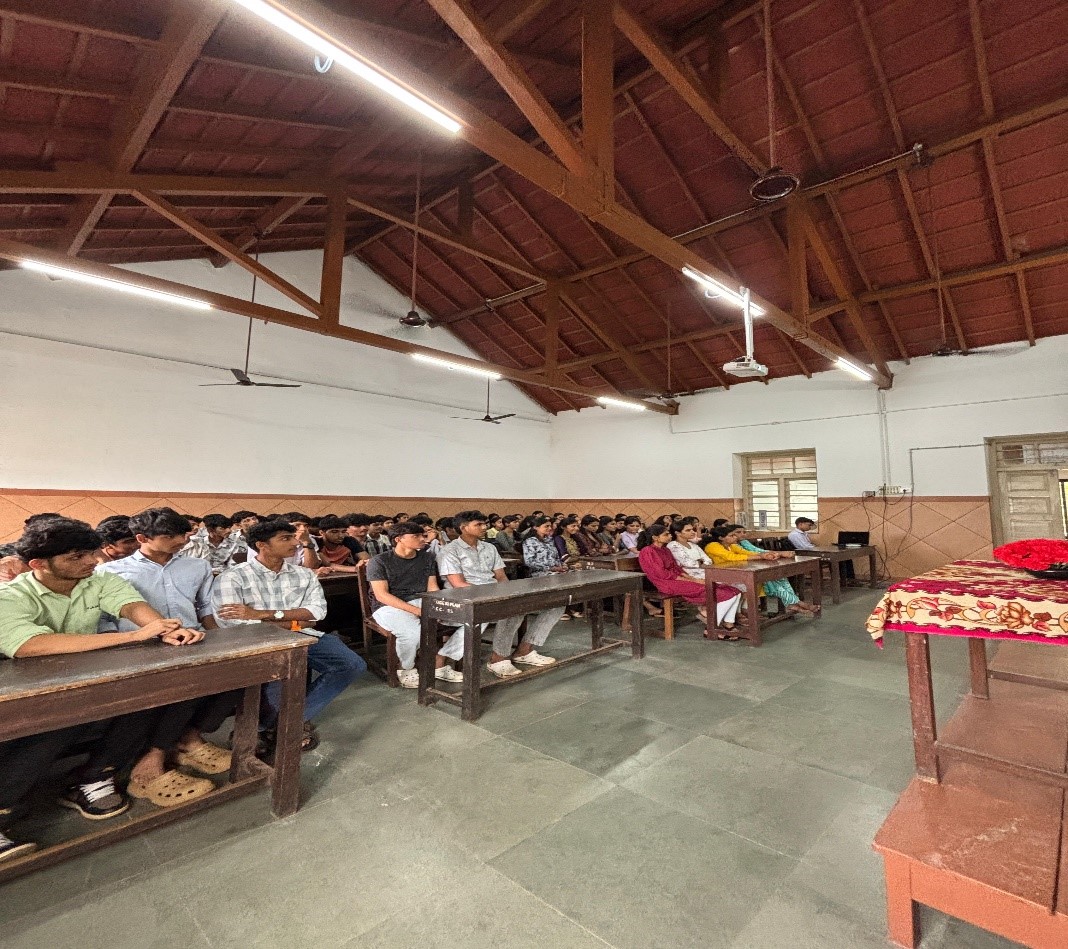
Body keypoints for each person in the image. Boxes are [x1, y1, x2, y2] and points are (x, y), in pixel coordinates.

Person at [0, 517, 202, 863]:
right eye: (76, 557)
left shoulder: (97, 580)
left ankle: (92, 777)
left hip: (80, 680)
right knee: (52, 724)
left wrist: (162, 628)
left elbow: (130, 604)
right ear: (38, 565)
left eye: (91, 553)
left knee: (145, 700)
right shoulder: (11, 596)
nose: (92, 561)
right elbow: (29, 645)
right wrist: (133, 636)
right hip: (22, 693)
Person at [99, 508, 235, 806]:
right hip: (140, 648)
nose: (181, 540)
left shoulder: (197, 566)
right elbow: (106, 620)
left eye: (183, 534)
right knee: (167, 695)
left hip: (193, 639)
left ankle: (188, 739)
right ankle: (156, 755)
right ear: (142, 538)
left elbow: (204, 608)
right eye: (169, 536)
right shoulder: (112, 572)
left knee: (235, 680)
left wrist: (221, 642)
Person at [212, 519, 365, 754]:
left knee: (351, 664)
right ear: (262, 545)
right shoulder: (233, 577)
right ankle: (273, 725)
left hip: (302, 634)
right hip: (257, 640)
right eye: (285, 538)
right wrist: (293, 620)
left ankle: (282, 721)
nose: (295, 542)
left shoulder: (304, 575)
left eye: (294, 537)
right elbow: (233, 622)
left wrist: (263, 614)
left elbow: (316, 614)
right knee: (279, 674)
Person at [439, 511, 564, 678]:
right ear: (463, 528)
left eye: (484, 524)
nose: (484, 527)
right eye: (478, 525)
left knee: (556, 604)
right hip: (464, 597)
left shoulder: (489, 548)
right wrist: (496, 595)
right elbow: (458, 584)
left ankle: (524, 650)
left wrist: (507, 593)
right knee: (512, 610)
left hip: (493, 594)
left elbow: (501, 577)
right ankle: (498, 659)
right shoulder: (450, 551)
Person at [366, 521, 464, 688]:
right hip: (388, 606)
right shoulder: (379, 561)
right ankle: (406, 668)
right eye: (416, 536)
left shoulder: (427, 558)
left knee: (469, 619)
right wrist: (417, 611)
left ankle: (440, 660)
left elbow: (432, 588)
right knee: (412, 633)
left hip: (420, 600)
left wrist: (436, 606)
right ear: (398, 539)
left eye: (423, 535)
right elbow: (382, 595)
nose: (422, 539)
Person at [637, 523, 742, 638]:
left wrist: (693, 579)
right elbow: (661, 573)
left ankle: (728, 623)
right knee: (723, 593)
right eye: (666, 534)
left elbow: (677, 568)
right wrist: (692, 581)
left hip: (676, 580)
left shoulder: (665, 550)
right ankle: (711, 628)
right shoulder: (647, 551)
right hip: (665, 583)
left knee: (734, 591)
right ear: (655, 537)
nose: (670, 536)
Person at [736, 527, 820, 616]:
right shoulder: (733, 546)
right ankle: (798, 603)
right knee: (771, 580)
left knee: (781, 578)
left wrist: (775, 554)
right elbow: (751, 554)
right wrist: (778, 554)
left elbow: (759, 551)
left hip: (755, 567)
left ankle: (793, 603)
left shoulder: (744, 542)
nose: (743, 534)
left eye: (744, 532)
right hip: (744, 572)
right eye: (737, 532)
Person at [787, 516, 857, 586]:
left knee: (844, 558)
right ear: (800, 524)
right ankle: (838, 583)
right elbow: (805, 547)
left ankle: (849, 580)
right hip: (805, 555)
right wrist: (818, 548)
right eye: (808, 525)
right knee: (836, 559)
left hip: (810, 553)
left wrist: (818, 547)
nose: (809, 527)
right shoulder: (795, 535)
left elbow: (809, 545)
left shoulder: (804, 534)